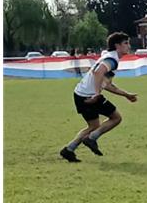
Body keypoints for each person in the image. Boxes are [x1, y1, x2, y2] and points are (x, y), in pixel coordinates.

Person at [59, 33, 138, 162]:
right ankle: (91, 138)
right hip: (89, 95)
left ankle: (68, 150)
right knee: (116, 118)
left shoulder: (110, 57)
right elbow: (98, 73)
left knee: (93, 126)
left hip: (80, 94)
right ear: (117, 46)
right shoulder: (111, 60)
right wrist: (96, 93)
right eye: (126, 43)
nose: (129, 46)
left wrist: (126, 95)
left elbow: (107, 85)